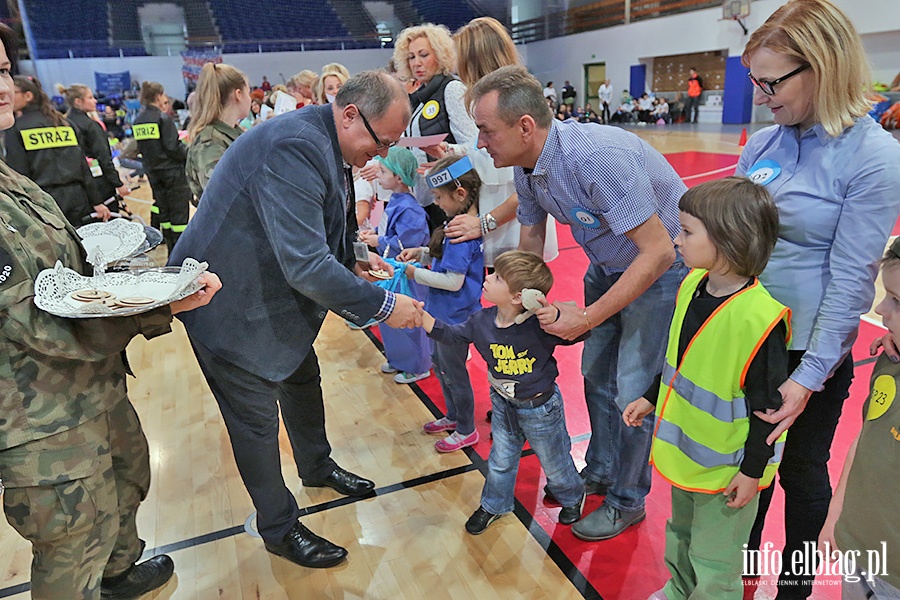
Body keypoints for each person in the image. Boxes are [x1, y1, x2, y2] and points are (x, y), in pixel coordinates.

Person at [167, 70, 424, 569]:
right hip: (228, 307)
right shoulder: (295, 145)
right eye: (382, 142)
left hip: (268, 296)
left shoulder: (327, 136)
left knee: (302, 377)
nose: (382, 155)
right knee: (256, 422)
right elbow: (304, 263)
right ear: (350, 113)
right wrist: (386, 308)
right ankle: (279, 527)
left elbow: (326, 214)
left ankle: (316, 464)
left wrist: (351, 254)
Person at [0, 24, 223, 600]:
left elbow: (58, 270)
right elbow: (30, 319)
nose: (3, 87)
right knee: (72, 541)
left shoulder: (7, 176)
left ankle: (119, 577)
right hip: (41, 418)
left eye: (3, 72)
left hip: (89, 385)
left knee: (127, 485)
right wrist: (155, 307)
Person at [470, 65, 688, 541]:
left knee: (633, 387)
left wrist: (588, 316)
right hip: (607, 264)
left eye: (486, 131)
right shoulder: (528, 167)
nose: (480, 144)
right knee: (594, 374)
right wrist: (520, 303)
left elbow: (659, 251)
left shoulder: (596, 158)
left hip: (661, 271)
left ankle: (628, 500)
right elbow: (530, 236)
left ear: (525, 127)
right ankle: (603, 469)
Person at [737, 1, 900, 597]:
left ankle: (793, 590)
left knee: (802, 477)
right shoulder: (763, 146)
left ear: (823, 68)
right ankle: (740, 581)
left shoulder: (874, 157)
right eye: (755, 80)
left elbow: (852, 277)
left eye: (771, 82)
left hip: (811, 353)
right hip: (750, 340)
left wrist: (808, 377)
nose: (760, 95)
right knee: (745, 471)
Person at [623, 177, 789, 600]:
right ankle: (678, 591)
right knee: (680, 536)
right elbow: (681, 363)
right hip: (687, 460)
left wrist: (752, 472)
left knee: (716, 561)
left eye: (687, 231)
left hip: (728, 472)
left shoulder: (759, 320)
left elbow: (768, 411)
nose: (677, 240)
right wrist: (651, 395)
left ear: (729, 241)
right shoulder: (691, 286)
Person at [424, 250, 588, 533]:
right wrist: (421, 319)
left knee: (554, 459)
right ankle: (494, 504)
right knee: (500, 459)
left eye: (498, 277)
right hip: (503, 404)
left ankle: (572, 495)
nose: (488, 278)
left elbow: (581, 331)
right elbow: (452, 335)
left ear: (517, 297)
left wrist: (557, 313)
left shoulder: (540, 326)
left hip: (540, 407)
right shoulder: (481, 321)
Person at [442, 16, 559, 269]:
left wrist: (484, 222)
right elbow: (478, 154)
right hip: (494, 218)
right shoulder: (481, 100)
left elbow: (529, 186)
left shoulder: (513, 103)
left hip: (514, 225)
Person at [819, 238, 900, 599]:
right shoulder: (890, 361)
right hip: (859, 548)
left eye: (897, 301)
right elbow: (865, 441)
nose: (881, 309)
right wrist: (837, 517)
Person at [398, 156, 484, 452]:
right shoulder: (456, 226)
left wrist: (415, 273)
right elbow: (442, 259)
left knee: (455, 373)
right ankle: (453, 415)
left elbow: (453, 280)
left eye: (438, 197)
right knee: (442, 367)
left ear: (460, 194)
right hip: (442, 313)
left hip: (455, 318)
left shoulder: (462, 235)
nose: (436, 204)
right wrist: (421, 253)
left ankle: (466, 428)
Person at [393, 23, 478, 228]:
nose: (417, 63)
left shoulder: (452, 89)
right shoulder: (421, 96)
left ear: (440, 56)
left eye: (423, 55)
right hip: (430, 195)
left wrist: (445, 152)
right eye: (411, 57)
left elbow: (475, 145)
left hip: (452, 196)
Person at [358, 146, 431, 383]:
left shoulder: (410, 208)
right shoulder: (396, 202)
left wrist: (378, 240)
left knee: (409, 320)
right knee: (390, 318)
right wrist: (376, 235)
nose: (378, 175)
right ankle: (399, 359)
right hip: (390, 270)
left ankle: (418, 365)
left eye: (382, 171)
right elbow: (390, 233)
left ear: (399, 177)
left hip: (405, 273)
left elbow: (407, 245)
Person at [5, 76, 109, 227]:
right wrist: (97, 202)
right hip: (79, 199)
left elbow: (19, 174)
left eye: (13, 93)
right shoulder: (66, 124)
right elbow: (84, 168)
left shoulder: (15, 130)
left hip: (44, 202)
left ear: (28, 96)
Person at [133, 82, 191, 252]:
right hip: (172, 173)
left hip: (153, 173)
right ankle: (182, 252)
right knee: (179, 217)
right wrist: (189, 151)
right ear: (158, 96)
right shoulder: (162, 119)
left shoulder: (138, 121)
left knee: (164, 215)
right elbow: (173, 148)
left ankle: (171, 251)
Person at [185, 62, 251, 202]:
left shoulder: (232, 134)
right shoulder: (209, 143)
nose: (250, 99)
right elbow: (222, 198)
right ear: (238, 95)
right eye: (248, 92)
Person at [63, 84, 131, 206]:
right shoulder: (90, 126)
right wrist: (118, 184)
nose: (95, 100)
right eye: (90, 98)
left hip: (73, 185)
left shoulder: (62, 123)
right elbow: (104, 157)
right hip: (98, 183)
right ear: (78, 101)